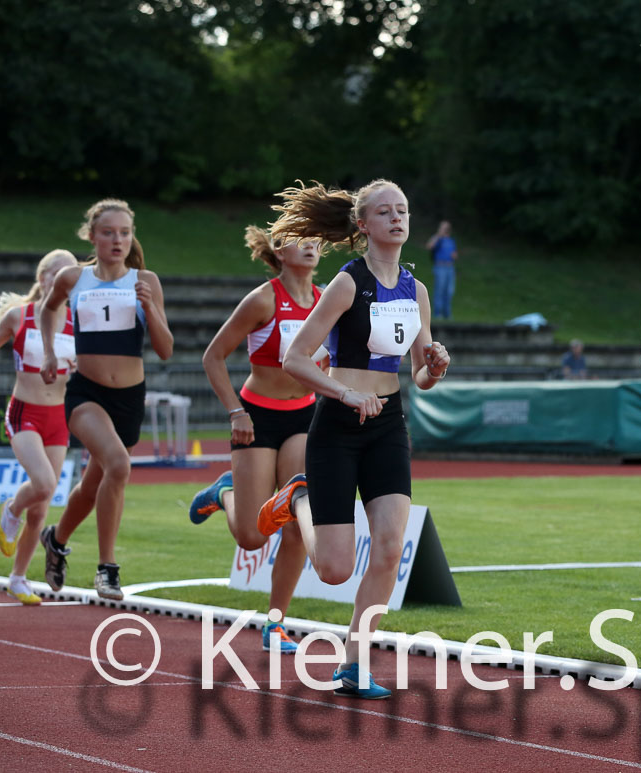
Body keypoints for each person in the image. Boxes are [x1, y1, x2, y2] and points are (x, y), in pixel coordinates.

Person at [254, 179, 451, 699]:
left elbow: (420, 374)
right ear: (363, 225)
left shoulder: (417, 290)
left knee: (388, 548)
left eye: (402, 210)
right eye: (384, 212)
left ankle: (354, 663)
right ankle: (298, 499)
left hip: (389, 424)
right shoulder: (347, 282)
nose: (396, 218)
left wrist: (435, 365)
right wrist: (343, 394)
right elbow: (295, 357)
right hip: (338, 428)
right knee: (335, 570)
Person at [186, 226, 328, 655]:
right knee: (251, 537)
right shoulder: (263, 299)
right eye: (299, 238)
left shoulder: (326, 302)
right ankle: (223, 489)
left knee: (300, 519)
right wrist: (235, 411)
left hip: (303, 415)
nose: (310, 245)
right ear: (278, 250)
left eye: (316, 238)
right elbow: (213, 355)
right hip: (256, 416)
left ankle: (276, 624)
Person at [38, 199, 174, 600]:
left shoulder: (145, 280)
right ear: (92, 236)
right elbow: (48, 311)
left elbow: (165, 349)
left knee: (92, 482)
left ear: (132, 237)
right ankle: (107, 569)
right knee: (118, 464)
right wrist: (50, 352)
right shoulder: (72, 278)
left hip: (130, 397)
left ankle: (56, 540)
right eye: (109, 232)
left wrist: (151, 310)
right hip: (86, 394)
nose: (118, 240)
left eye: (125, 233)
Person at [0, 250, 79, 604]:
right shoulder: (19, 316)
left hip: (58, 418)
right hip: (24, 412)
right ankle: (11, 510)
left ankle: (18, 577)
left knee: (41, 507)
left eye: (67, 275)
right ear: (41, 278)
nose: (59, 280)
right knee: (43, 484)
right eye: (54, 274)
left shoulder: (77, 322)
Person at [425, 220, 458, 319]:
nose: (444, 229)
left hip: (450, 267)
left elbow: (455, 254)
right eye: (442, 227)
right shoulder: (437, 239)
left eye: (446, 227)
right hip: (440, 267)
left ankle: (447, 313)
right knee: (439, 290)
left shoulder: (451, 240)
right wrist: (439, 235)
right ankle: (437, 313)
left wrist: (454, 256)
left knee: (449, 291)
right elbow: (429, 246)